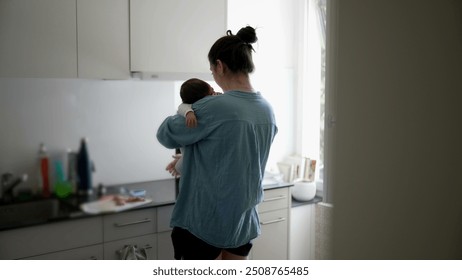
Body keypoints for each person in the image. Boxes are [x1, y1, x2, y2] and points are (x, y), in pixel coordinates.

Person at [157, 26, 278, 260]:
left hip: (202, 223)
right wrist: (192, 155)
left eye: (212, 70)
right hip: (242, 224)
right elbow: (234, 151)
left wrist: (186, 109)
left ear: (220, 66)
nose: (213, 76)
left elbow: (166, 134)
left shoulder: (214, 107)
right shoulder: (267, 110)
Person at [166, 78, 217, 177]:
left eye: (213, 89)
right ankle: (177, 167)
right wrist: (189, 113)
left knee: (190, 157)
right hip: (187, 148)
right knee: (185, 161)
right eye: (211, 92)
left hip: (197, 151)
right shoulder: (189, 107)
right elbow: (182, 107)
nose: (214, 93)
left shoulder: (214, 99)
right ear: (201, 99)